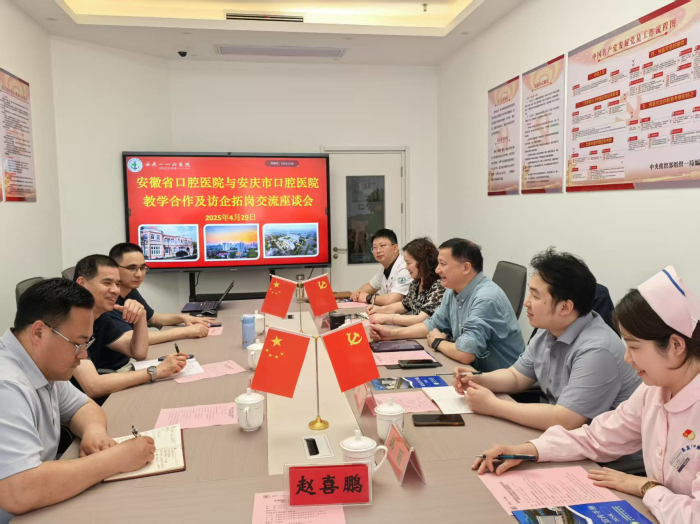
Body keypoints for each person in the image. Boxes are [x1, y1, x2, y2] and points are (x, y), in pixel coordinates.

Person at [474, 266, 700, 524]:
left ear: (675, 345)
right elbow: (597, 437)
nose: (627, 358)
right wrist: (528, 450)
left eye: (634, 347)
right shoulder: (653, 390)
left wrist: (646, 487)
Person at [0, 279, 156, 522]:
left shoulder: (41, 363)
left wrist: (94, 433)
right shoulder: (7, 386)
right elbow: (19, 492)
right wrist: (115, 459)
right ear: (39, 332)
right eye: (77, 343)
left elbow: (83, 406)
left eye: (87, 343)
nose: (83, 355)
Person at [452, 248, 640, 430]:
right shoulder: (549, 329)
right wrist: (478, 379)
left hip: (606, 449)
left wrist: (492, 405)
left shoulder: (597, 349)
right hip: (566, 436)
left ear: (565, 307)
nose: (526, 302)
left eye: (535, 295)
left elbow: (566, 420)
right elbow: (516, 377)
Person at [370, 239, 524, 371]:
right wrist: (392, 335)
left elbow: (465, 353)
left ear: (466, 268)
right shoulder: (452, 290)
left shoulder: (486, 298)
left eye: (442, 264)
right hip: (469, 371)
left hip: (501, 383)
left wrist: (437, 342)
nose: (437, 270)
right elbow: (432, 324)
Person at [72, 255, 186, 399]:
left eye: (117, 284)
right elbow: (93, 386)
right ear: (82, 284)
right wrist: (156, 371)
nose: (115, 291)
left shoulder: (100, 315)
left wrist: (141, 317)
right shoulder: (69, 321)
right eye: (107, 283)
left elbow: (138, 352)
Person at [109, 243, 212, 344]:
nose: (139, 274)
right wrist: (186, 331)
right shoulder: (108, 299)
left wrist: (183, 318)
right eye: (132, 268)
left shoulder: (130, 290)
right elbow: (130, 338)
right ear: (114, 268)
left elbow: (153, 318)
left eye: (142, 268)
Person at [367, 237, 445, 327]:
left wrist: (387, 318)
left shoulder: (439, 285)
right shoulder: (416, 282)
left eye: (408, 263)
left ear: (422, 262)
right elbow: (405, 305)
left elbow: (422, 319)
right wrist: (379, 309)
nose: (406, 267)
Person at [350, 229, 412, 306]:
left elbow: (392, 300)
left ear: (395, 248)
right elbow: (371, 286)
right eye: (374, 247)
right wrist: (358, 292)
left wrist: (368, 298)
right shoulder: (384, 266)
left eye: (382, 246)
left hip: (407, 313)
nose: (378, 251)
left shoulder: (405, 268)